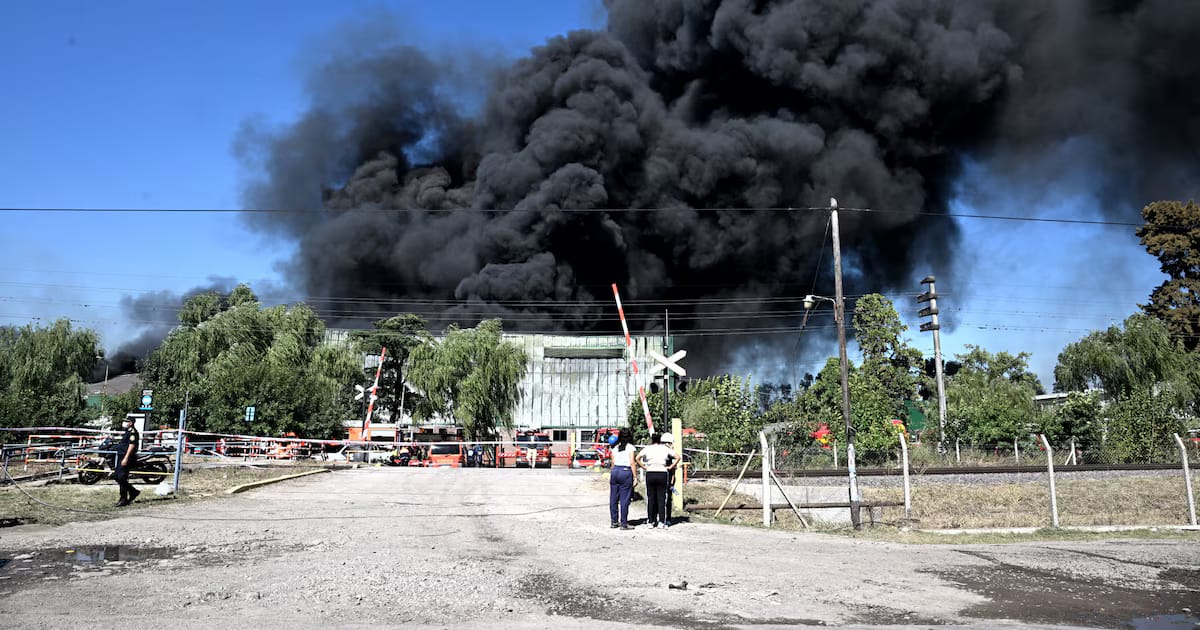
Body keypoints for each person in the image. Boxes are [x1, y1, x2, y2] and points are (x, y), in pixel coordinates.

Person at [638, 432, 675, 529]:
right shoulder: (665, 449)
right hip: (662, 473)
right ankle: (662, 521)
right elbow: (678, 457)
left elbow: (637, 458)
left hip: (650, 473)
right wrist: (670, 466)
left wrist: (644, 467)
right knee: (662, 498)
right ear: (660, 440)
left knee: (651, 498)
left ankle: (650, 521)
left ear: (652, 440)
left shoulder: (648, 448)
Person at [608, 429, 637, 530]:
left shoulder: (615, 447)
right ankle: (624, 523)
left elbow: (612, 462)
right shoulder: (630, 447)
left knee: (613, 498)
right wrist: (635, 477)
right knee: (624, 499)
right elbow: (632, 462)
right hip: (625, 471)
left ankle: (614, 521)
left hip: (615, 471)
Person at [114, 416, 141, 507]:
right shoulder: (127, 432)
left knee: (121, 477)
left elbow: (131, 446)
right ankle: (132, 492)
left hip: (127, 457)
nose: (124, 423)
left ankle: (125, 497)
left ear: (131, 423)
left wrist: (126, 458)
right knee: (117, 476)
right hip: (121, 456)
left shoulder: (133, 433)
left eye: (126, 421)